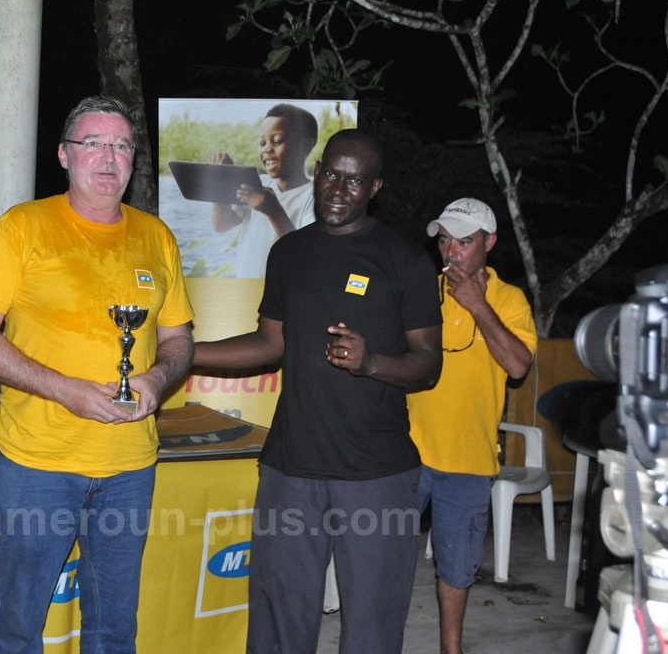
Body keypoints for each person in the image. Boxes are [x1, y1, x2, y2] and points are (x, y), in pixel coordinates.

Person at [0, 95, 195, 654]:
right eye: (93, 143)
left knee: (114, 633)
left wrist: (158, 381)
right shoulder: (23, 226)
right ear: (64, 155)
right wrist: (66, 391)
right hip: (37, 466)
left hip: (129, 467)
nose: (109, 157)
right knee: (16, 630)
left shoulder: (156, 237)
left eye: (121, 145)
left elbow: (179, 340)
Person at [193, 128, 442, 653]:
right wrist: (182, 355)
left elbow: (427, 366)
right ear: (319, 171)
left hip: (377, 474)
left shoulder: (405, 260)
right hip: (290, 468)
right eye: (331, 174)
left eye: (354, 181)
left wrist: (371, 361)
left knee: (372, 624)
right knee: (279, 619)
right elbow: (269, 341)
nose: (338, 189)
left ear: (375, 187)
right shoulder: (289, 253)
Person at [407, 197, 537, 654]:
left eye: (463, 242)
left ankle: (451, 649)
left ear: (489, 243)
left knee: (456, 568)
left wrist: (478, 305)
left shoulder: (509, 300)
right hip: (405, 453)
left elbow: (518, 365)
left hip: (468, 459)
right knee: (384, 558)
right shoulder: (421, 288)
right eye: (444, 241)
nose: (451, 252)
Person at [210, 103, 318, 278]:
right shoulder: (257, 183)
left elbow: (302, 254)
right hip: (247, 291)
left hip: (284, 295)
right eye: (262, 142)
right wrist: (222, 181)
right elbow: (222, 225)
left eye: (276, 141)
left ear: (305, 146)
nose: (267, 149)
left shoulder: (315, 197)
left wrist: (273, 211)